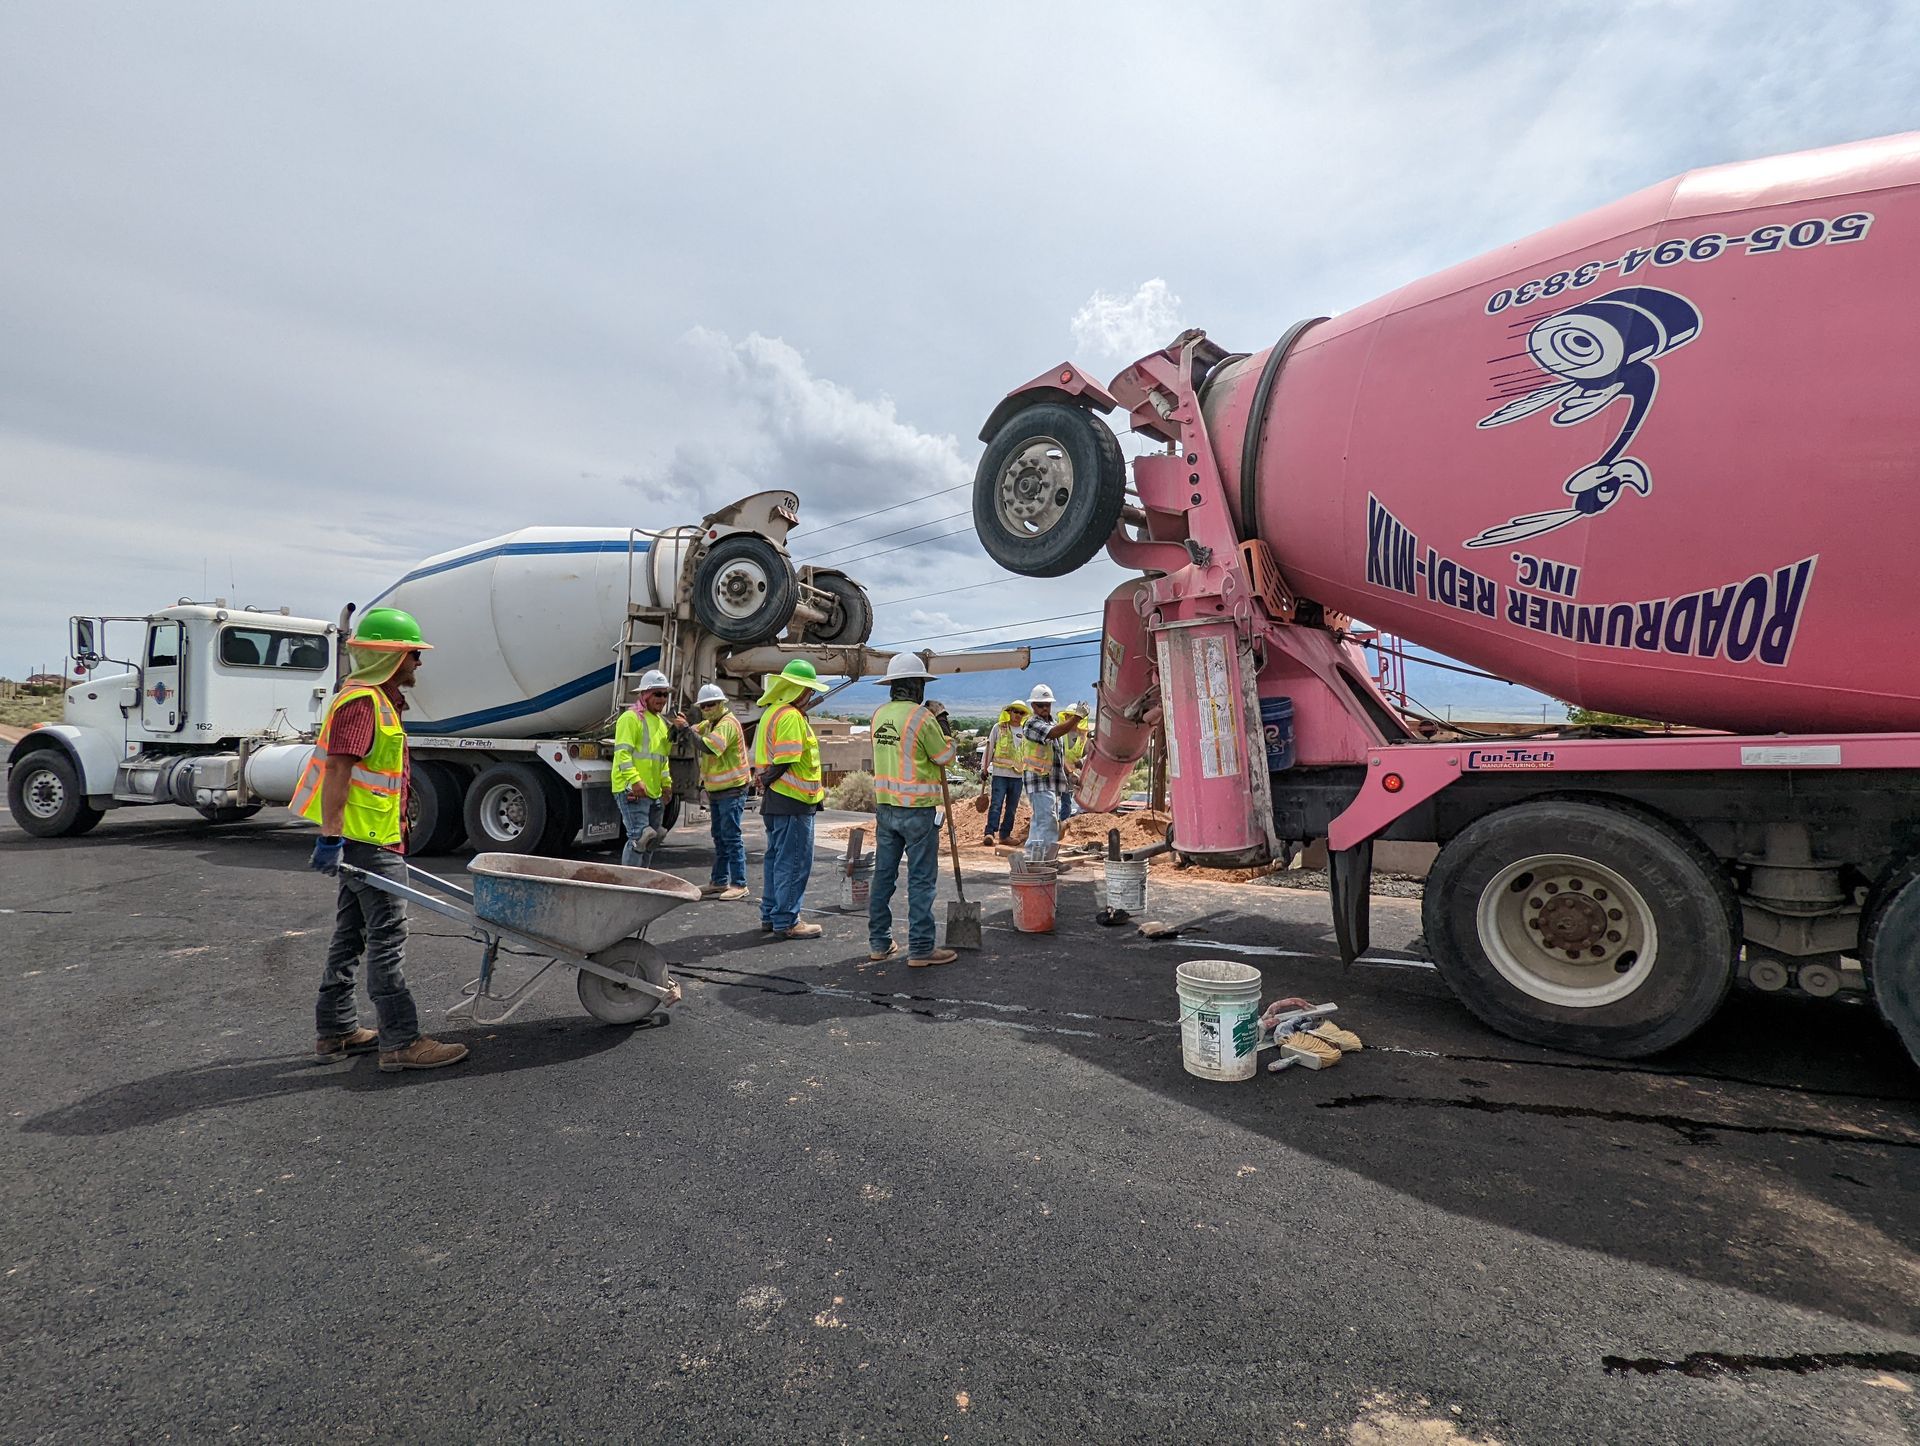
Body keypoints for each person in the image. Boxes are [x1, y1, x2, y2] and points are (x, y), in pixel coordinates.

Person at [293, 607, 468, 1074]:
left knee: (351, 935)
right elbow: (337, 769)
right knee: (388, 936)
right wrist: (330, 836)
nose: (418, 663)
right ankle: (400, 1042)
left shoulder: (379, 701)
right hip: (368, 842)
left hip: (371, 837)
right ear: (387, 656)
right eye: (412, 653)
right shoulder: (362, 704)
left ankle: (336, 1030)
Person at [867, 653, 957, 968]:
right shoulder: (921, 718)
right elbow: (945, 756)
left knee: (883, 876)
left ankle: (879, 943)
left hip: (886, 808)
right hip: (918, 811)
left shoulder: (878, 716)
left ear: (892, 685)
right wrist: (942, 718)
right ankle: (920, 949)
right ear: (917, 685)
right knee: (921, 880)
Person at [751, 658, 830, 940]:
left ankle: (771, 915)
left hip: (777, 801)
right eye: (808, 690)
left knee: (776, 859)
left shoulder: (771, 713)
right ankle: (787, 920)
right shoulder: (790, 716)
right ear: (797, 690)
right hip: (793, 800)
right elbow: (787, 758)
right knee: (794, 861)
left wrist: (764, 781)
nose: (810, 696)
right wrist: (768, 779)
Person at [613, 669, 682, 868]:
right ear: (644, 695)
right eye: (657, 694)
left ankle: (643, 881)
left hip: (653, 792)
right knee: (639, 838)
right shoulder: (630, 718)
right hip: (632, 789)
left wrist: (667, 785)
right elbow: (622, 754)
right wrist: (634, 780)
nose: (662, 699)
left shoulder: (661, 723)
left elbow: (662, 759)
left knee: (653, 838)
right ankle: (630, 884)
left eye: (665, 694)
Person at [691, 681, 750, 900]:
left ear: (721, 704)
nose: (707, 709)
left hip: (732, 788)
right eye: (704, 706)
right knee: (720, 836)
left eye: (711, 704)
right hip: (718, 789)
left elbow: (709, 747)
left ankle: (739, 883)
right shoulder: (710, 724)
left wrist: (686, 732)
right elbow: (694, 731)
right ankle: (719, 881)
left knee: (731, 836)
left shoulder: (726, 724)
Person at [1020, 683, 1077, 862]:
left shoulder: (1050, 723)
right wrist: (1076, 719)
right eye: (1040, 705)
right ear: (1033, 706)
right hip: (1039, 780)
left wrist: (1070, 773)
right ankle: (1045, 860)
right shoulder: (1032, 724)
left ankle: (1034, 858)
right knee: (1047, 822)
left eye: (1047, 705)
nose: (1044, 708)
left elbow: (1057, 756)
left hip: (1050, 781)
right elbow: (1054, 733)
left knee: (1041, 822)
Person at [982, 699, 1031, 846]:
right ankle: (990, 833)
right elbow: (989, 748)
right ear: (1009, 712)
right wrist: (984, 768)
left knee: (1012, 807)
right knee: (996, 804)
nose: (1018, 715)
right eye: (1015, 711)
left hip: (1017, 776)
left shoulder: (1025, 732)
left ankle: (1005, 835)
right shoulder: (998, 728)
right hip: (1000, 774)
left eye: (1021, 712)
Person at [1057, 702, 1090, 822]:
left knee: (1068, 803)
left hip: (1074, 775)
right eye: (1068, 716)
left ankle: (1064, 824)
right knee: (1063, 802)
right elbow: (1059, 755)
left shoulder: (1083, 736)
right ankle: (1061, 824)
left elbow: (1089, 754)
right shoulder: (1059, 734)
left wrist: (1080, 763)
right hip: (1060, 772)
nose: (1070, 719)